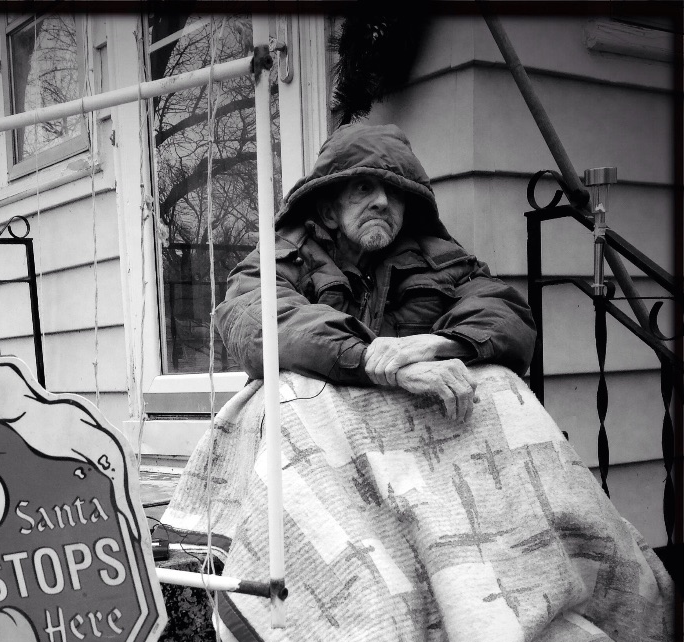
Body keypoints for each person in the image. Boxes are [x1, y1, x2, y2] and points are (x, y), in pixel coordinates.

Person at [215, 123, 536, 422]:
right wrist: (372, 360)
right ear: (329, 211)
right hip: (320, 439)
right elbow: (255, 319)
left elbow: (508, 316)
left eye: (394, 192)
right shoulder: (284, 256)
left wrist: (437, 344)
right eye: (364, 188)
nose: (382, 202)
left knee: (497, 378)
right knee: (283, 384)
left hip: (416, 439)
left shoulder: (440, 259)